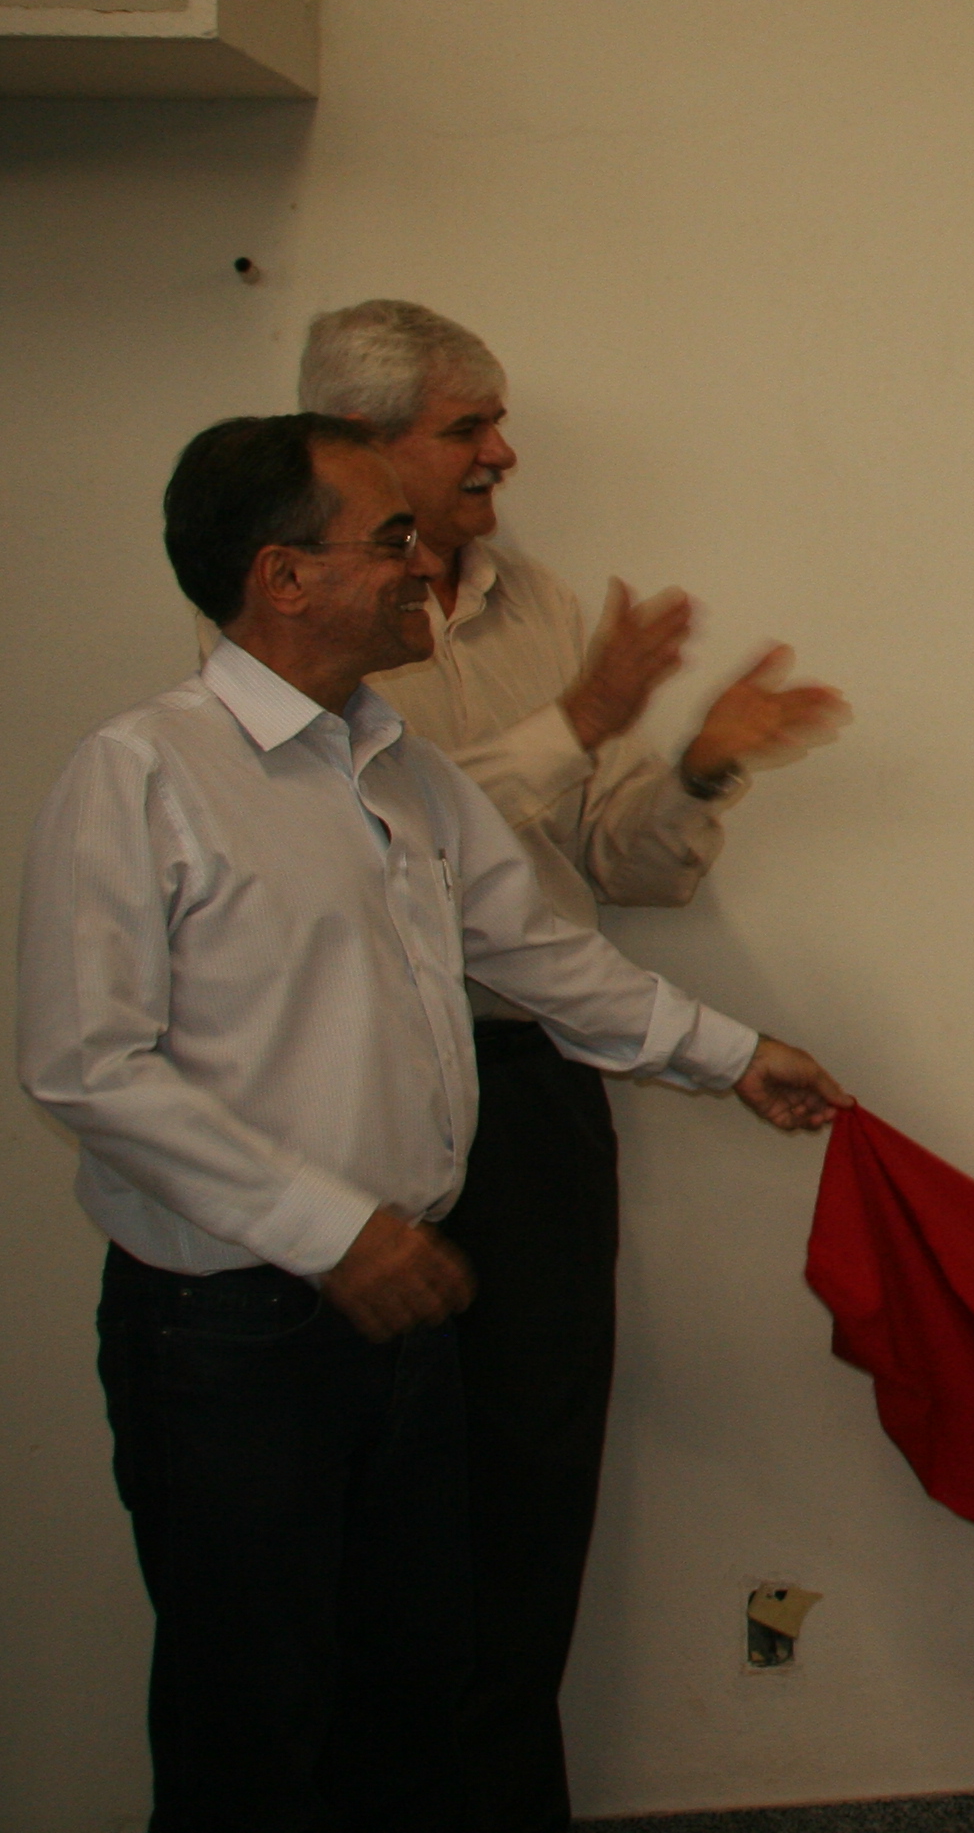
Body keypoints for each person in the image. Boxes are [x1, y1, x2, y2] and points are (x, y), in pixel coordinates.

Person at [17, 413, 852, 1831]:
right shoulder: (144, 772)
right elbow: (87, 1066)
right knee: (251, 1727)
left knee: (412, 1701)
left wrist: (732, 1054)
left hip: (402, 1312)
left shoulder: (400, 770)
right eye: (389, 538)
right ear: (283, 576)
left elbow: (540, 958)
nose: (423, 564)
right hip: (230, 1335)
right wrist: (333, 1231)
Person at [292, 300, 847, 1829]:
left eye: (497, 420)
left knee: (529, 1505)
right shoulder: (293, 611)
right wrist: (582, 717)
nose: (503, 453)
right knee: (361, 1528)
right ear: (360, 445)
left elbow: (607, 868)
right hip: (353, 1113)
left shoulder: (531, 604)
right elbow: (377, 848)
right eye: (467, 426)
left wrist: (699, 764)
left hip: (534, 1096)